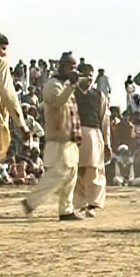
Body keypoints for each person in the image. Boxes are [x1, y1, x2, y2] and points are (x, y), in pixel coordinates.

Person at [21, 51, 84, 221]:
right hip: (58, 137)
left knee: (71, 175)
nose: (74, 70)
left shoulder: (67, 85)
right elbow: (57, 101)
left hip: (70, 137)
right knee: (59, 173)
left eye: (75, 67)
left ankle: (66, 210)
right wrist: (71, 86)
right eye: (71, 67)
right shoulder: (52, 84)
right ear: (62, 67)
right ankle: (31, 202)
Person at [73, 64, 111, 218]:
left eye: (91, 75)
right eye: (85, 75)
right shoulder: (71, 93)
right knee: (77, 170)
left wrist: (107, 143)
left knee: (94, 170)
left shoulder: (99, 95)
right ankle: (80, 203)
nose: (88, 78)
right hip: (75, 135)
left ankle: (93, 203)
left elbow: (105, 120)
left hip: (94, 135)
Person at [0, 33, 30, 159]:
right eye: (2, 49)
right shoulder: (2, 63)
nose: (3, 53)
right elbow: (8, 94)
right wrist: (22, 125)